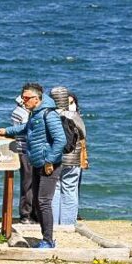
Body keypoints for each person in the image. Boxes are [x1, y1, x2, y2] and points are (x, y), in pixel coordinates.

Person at [0, 83, 65, 249]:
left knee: (43, 202)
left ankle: (48, 240)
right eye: (23, 98)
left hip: (49, 164)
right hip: (36, 161)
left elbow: (60, 140)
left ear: (36, 99)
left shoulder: (49, 115)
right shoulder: (35, 114)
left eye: (26, 98)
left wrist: (50, 161)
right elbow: (26, 128)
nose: (24, 101)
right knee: (37, 200)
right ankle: (46, 238)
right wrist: (7, 131)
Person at [50, 86, 86, 226]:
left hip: (54, 158)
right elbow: (83, 134)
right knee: (70, 189)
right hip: (73, 157)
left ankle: (54, 224)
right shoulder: (74, 116)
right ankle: (68, 224)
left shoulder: (48, 114)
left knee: (55, 190)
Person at [10, 94, 35, 223]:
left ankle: (26, 213)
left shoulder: (16, 112)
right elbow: (28, 132)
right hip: (26, 150)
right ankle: (26, 214)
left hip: (20, 149)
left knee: (26, 182)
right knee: (29, 183)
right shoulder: (24, 114)